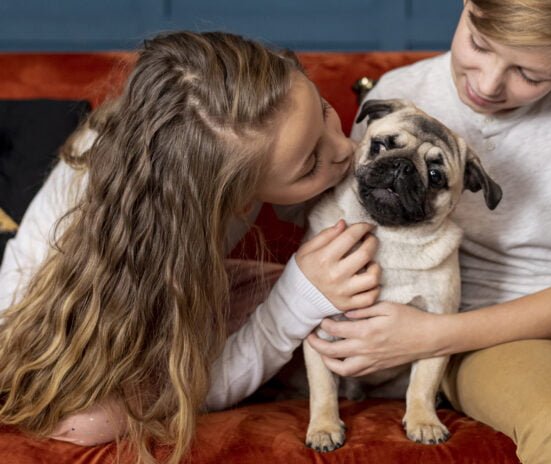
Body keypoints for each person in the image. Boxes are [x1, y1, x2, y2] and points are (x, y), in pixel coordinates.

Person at [306, 1, 551, 462]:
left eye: (530, 76)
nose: (488, 83)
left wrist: (427, 337)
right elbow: (353, 211)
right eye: (479, 44)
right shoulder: (400, 93)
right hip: (473, 327)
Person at [0, 31, 381, 464]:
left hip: (188, 287)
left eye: (326, 111)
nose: (345, 148)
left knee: (337, 302)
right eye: (310, 162)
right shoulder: (143, 234)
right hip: (51, 322)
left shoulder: (248, 132)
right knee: (90, 419)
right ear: (232, 200)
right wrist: (293, 304)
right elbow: (165, 381)